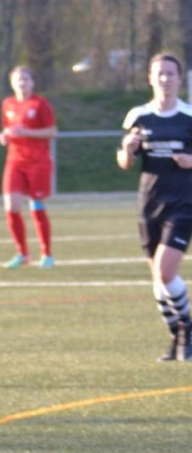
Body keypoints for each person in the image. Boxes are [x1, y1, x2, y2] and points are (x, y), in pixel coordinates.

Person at [117, 52, 192, 362]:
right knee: (158, 280)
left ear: (179, 79)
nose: (165, 79)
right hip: (149, 204)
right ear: (150, 78)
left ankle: (188, 331)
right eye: (159, 73)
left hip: (183, 204)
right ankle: (177, 338)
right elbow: (124, 163)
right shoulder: (138, 116)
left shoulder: (188, 116)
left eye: (170, 73)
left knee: (165, 271)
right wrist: (128, 149)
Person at [0, 66, 58, 269]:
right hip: (15, 160)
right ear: (12, 83)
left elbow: (52, 131)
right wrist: (4, 137)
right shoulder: (8, 104)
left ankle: (46, 255)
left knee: (36, 205)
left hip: (38, 162)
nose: (22, 83)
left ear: (32, 82)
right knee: (11, 207)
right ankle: (22, 254)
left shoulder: (40, 104)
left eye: (25, 79)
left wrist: (26, 132)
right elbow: (7, 129)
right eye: (18, 79)